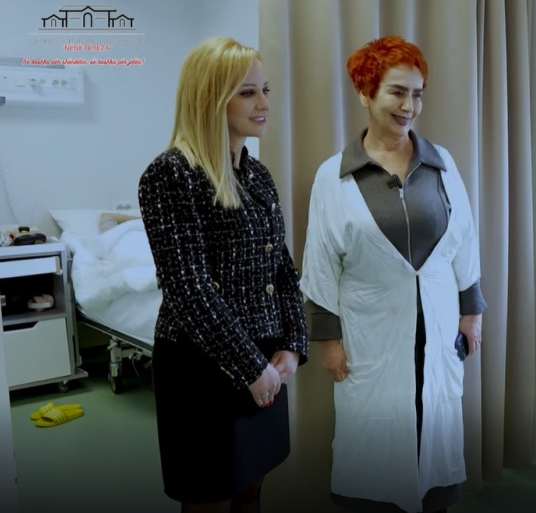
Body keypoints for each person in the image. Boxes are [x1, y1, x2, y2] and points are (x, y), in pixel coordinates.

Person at [300, 35, 486, 513]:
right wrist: (328, 339)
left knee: (434, 432)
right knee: (374, 452)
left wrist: (471, 312)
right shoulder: (334, 176)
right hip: (371, 331)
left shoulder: (441, 164)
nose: (409, 106)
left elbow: (464, 239)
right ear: (366, 93)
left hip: (438, 327)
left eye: (417, 94)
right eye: (397, 92)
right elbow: (320, 261)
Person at [138, 37, 309, 513]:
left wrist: (293, 344)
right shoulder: (172, 174)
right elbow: (188, 287)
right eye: (248, 93)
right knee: (209, 494)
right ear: (211, 100)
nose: (264, 103)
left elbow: (282, 268)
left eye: (266, 89)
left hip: (264, 354)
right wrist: (250, 367)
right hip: (202, 364)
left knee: (251, 486)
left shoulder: (258, 176)